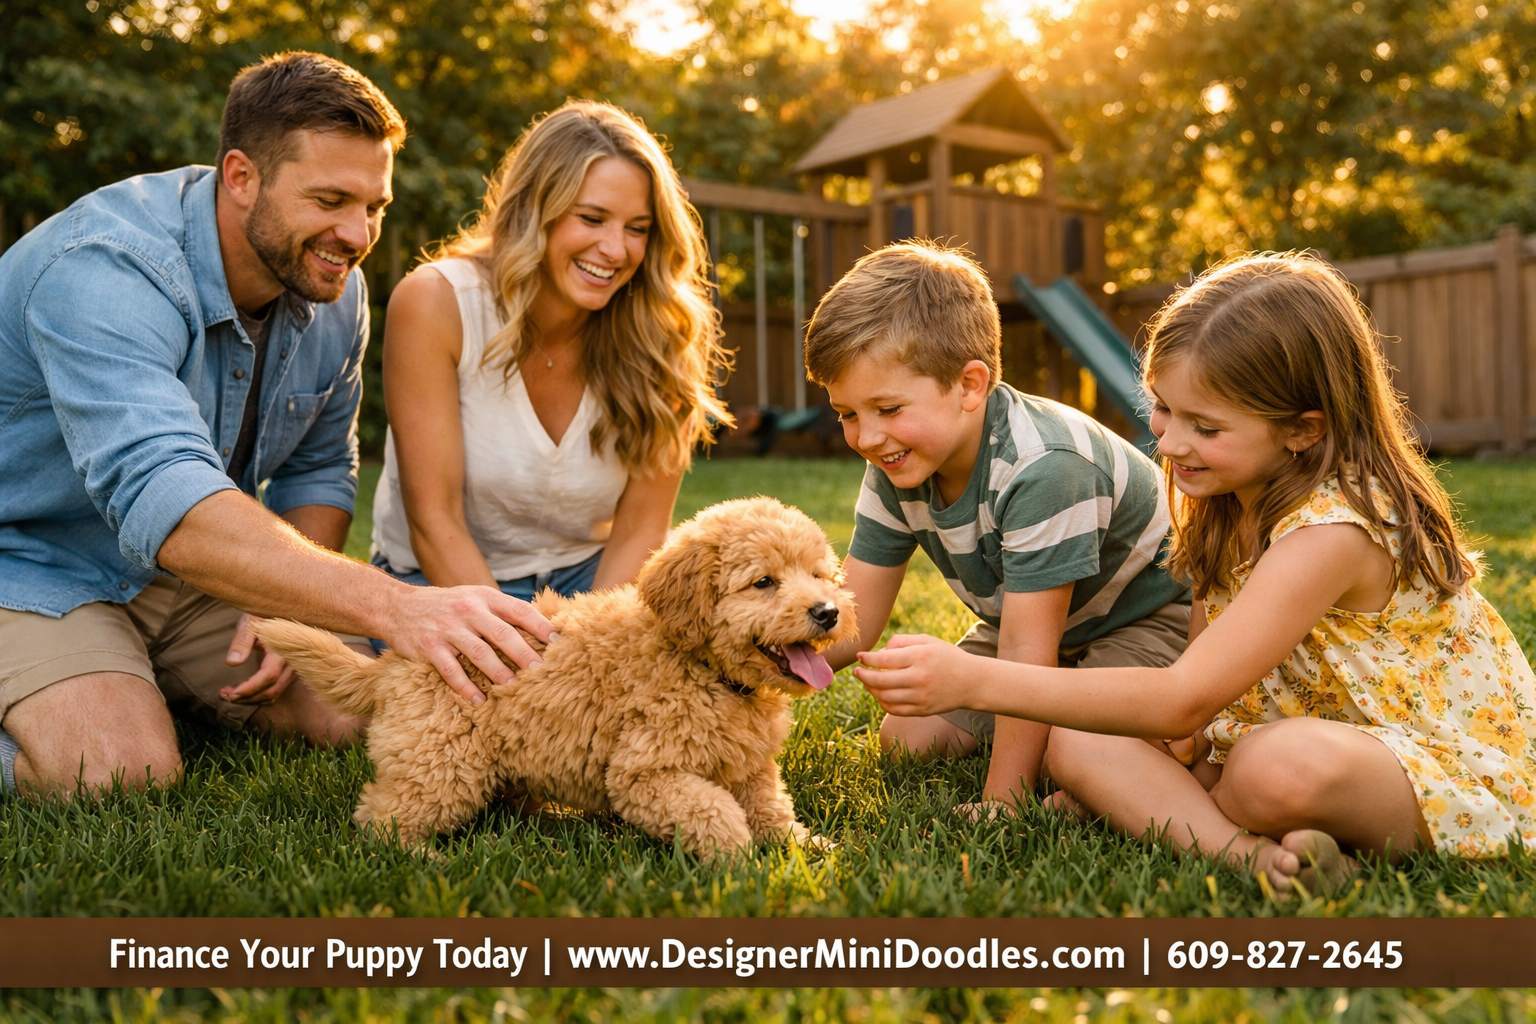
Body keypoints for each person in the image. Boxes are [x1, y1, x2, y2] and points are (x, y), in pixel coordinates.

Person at [855, 252, 1536, 893]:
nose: (1171, 443)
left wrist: (972, 679)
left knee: (1274, 771)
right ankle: (1254, 858)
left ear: (1303, 430)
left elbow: (1183, 696)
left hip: (1422, 753)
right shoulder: (1216, 499)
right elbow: (1198, 693)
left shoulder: (1334, 530)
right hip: (1266, 726)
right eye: (1163, 409)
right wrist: (1177, 750)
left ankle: (1205, 809)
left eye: (1205, 427)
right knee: (1083, 742)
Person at [0, 52, 553, 801]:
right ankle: (91, 685)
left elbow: (320, 469)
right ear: (240, 177)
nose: (357, 235)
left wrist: (288, 605)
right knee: (118, 771)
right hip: (33, 561)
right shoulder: (106, 269)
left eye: (374, 207)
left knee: (345, 712)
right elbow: (166, 501)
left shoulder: (335, 288)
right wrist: (392, 605)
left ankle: (124, 672)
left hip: (185, 575)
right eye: (330, 199)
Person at [805, 242, 1191, 817]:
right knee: (909, 740)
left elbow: (1026, 655)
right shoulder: (895, 464)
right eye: (847, 414)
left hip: (1144, 625)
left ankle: (1110, 771)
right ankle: (1080, 763)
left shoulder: (1046, 467)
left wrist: (1002, 800)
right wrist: (750, 674)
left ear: (969, 385)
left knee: (1069, 751)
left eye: (886, 409)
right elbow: (852, 619)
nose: (865, 437)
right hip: (1038, 632)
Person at [370, 101, 729, 600]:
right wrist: (520, 647)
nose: (616, 248)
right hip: (441, 583)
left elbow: (641, 530)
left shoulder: (661, 331)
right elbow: (435, 520)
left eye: (637, 228)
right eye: (592, 217)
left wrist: (590, 643)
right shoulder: (436, 302)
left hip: (594, 584)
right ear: (534, 210)